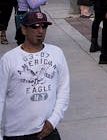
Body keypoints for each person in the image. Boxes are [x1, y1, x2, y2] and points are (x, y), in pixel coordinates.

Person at [0, 11, 69, 140]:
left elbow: (63, 90)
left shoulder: (56, 53)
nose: (40, 31)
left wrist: (53, 121)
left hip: (47, 131)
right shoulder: (9, 59)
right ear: (24, 30)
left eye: (44, 26)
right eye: (35, 26)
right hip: (16, 133)